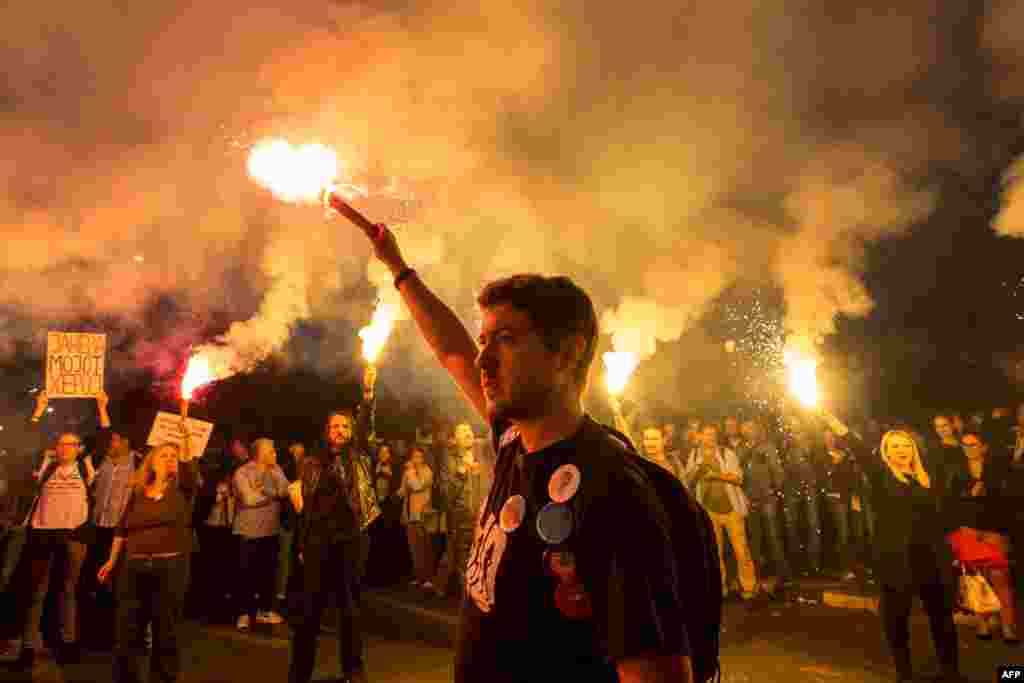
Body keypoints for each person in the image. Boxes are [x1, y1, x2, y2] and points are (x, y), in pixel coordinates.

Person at [360, 221, 699, 682]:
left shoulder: (615, 492)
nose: (483, 360)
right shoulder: (511, 439)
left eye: (505, 340)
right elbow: (451, 350)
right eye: (485, 342)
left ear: (566, 354)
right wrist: (397, 267)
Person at [820, 411, 961, 683]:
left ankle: (951, 671)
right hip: (897, 559)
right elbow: (859, 448)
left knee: (941, 616)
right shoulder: (881, 474)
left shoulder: (925, 478)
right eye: (895, 446)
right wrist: (832, 420)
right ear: (886, 451)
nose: (902, 450)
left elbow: (940, 515)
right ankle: (904, 674)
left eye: (906, 445)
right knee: (897, 618)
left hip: (930, 557)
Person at [288, 366, 381, 683]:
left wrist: (368, 393)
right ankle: (299, 673)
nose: (340, 430)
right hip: (317, 541)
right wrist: (302, 544)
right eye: (334, 426)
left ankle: (353, 670)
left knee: (350, 609)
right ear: (326, 431)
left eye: (345, 426)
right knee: (308, 612)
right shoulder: (313, 462)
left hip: (351, 539)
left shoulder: (359, 454)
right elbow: (307, 508)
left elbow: (367, 422)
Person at [97, 407, 201, 683]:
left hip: (170, 567)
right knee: (127, 630)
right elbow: (122, 528)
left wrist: (186, 440)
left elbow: (191, 469)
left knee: (166, 630)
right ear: (152, 462)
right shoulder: (138, 491)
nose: (169, 459)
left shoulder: (183, 489)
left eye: (173, 457)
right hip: (134, 566)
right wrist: (111, 559)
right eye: (164, 455)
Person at [8, 390, 104, 668]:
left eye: (71, 444)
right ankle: (28, 647)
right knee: (36, 591)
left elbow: (103, 436)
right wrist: (39, 409)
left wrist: (101, 406)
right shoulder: (46, 464)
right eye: (61, 444)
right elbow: (28, 440)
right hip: (42, 533)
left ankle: (68, 643)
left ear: (78, 448)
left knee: (68, 590)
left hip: (74, 536)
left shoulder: (86, 466)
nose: (64, 448)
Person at [945, 429, 1017, 643]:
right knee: (976, 580)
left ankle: (1008, 626)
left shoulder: (998, 468)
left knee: (1000, 579)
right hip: (968, 529)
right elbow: (952, 501)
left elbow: (1008, 498)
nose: (969, 449)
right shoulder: (957, 470)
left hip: (994, 529)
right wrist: (968, 495)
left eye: (973, 444)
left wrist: (988, 489)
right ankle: (983, 623)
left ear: (984, 446)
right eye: (965, 445)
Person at [684, 423, 757, 600]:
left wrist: (716, 475)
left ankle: (749, 586)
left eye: (713, 434)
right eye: (707, 434)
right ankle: (720, 588)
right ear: (700, 436)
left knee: (741, 550)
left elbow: (739, 478)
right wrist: (697, 471)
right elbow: (688, 481)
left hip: (731, 510)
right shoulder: (694, 455)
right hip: (708, 511)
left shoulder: (726, 453)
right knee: (714, 552)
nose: (710, 438)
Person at [233, 438, 290, 630]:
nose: (274, 452)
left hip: (271, 531)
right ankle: (243, 613)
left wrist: (267, 489)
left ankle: (264, 611)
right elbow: (249, 498)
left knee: (268, 574)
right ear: (259, 452)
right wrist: (271, 494)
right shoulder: (243, 472)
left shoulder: (276, 470)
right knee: (245, 575)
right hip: (248, 531)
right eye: (270, 449)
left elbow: (284, 492)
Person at [432, 422, 492, 599]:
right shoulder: (449, 460)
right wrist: (461, 471)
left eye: (469, 430)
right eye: (462, 430)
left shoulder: (482, 452)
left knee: (480, 556)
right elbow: (447, 495)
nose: (468, 433)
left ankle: (442, 586)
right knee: (462, 558)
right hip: (461, 519)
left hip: (483, 516)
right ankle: (468, 597)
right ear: (454, 439)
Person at [740, 418, 792, 589]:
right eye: (744, 428)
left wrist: (774, 491)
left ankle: (782, 574)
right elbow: (737, 473)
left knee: (773, 536)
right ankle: (758, 576)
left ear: (756, 429)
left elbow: (778, 471)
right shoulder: (741, 449)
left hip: (767, 498)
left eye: (750, 427)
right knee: (754, 538)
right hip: (749, 498)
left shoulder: (767, 447)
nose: (747, 431)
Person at [398, 445, 436, 590]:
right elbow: (403, 492)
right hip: (410, 514)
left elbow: (417, 486)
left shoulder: (427, 472)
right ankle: (419, 577)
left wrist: (410, 471)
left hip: (422, 515)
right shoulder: (410, 472)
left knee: (425, 547)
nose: (416, 459)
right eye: (414, 456)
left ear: (424, 458)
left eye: (419, 457)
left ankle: (428, 578)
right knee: (414, 548)